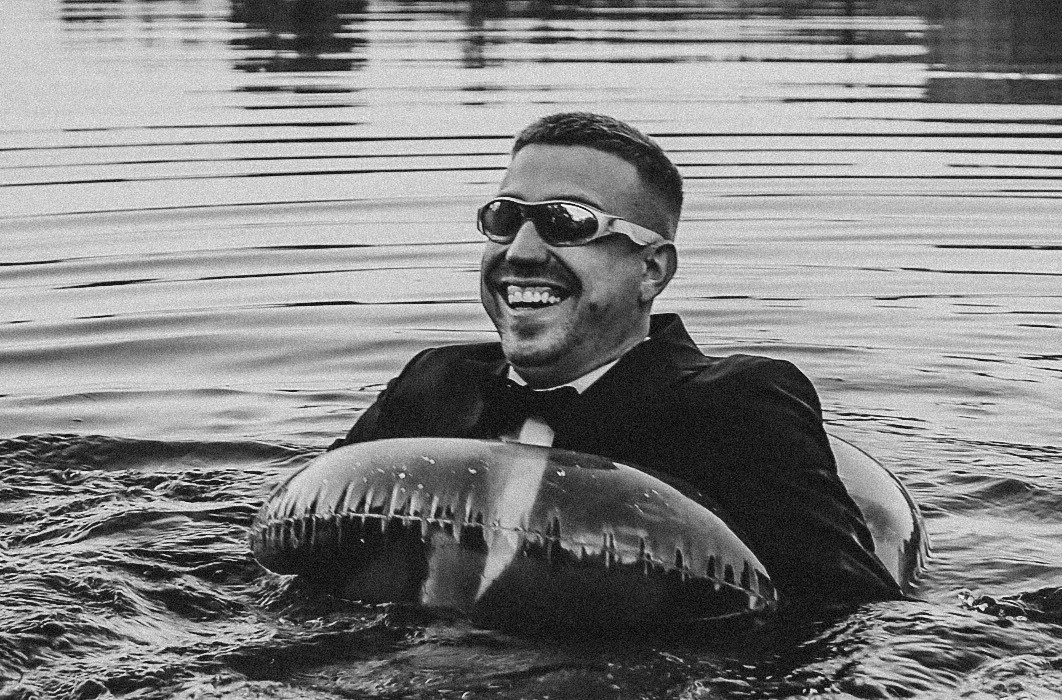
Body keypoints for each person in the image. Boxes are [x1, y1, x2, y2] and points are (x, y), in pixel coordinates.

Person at [339, 108, 896, 610]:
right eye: (504, 219)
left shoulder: (738, 406)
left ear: (651, 270)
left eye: (568, 223)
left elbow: (844, 616)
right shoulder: (435, 383)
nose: (522, 251)